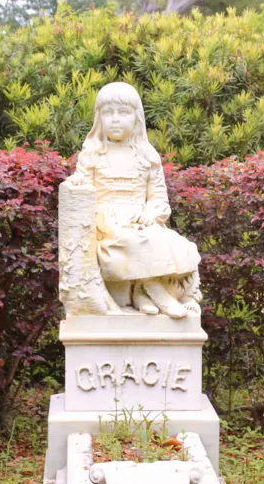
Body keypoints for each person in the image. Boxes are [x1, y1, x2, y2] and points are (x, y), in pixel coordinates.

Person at [64, 82, 201, 318]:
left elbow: (159, 199)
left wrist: (151, 213)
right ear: (99, 118)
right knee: (131, 240)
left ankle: (155, 294)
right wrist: (77, 182)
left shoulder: (147, 156)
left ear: (136, 118)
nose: (115, 119)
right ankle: (155, 292)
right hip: (107, 223)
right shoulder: (92, 154)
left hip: (142, 220)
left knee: (179, 245)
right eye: (108, 113)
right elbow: (82, 183)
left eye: (123, 112)